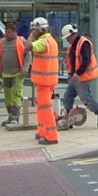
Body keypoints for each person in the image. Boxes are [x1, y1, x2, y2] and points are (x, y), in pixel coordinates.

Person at [60, 24, 98, 128]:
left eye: (67, 38)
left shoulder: (84, 43)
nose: (67, 40)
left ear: (72, 35)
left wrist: (78, 73)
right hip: (75, 77)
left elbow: (86, 60)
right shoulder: (72, 46)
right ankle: (69, 119)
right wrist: (71, 73)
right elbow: (71, 61)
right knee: (67, 98)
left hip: (84, 76)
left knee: (86, 98)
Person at [28, 17, 59, 145]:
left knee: (45, 108)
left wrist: (31, 36)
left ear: (39, 29)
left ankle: (51, 136)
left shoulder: (42, 42)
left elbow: (27, 46)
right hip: (49, 79)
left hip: (44, 81)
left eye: (35, 30)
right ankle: (42, 131)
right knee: (41, 106)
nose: (33, 32)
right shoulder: (51, 41)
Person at [0, 21, 29, 127]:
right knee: (8, 97)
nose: (6, 34)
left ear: (14, 32)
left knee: (16, 96)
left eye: (8, 32)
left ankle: (15, 117)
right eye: (5, 32)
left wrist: (25, 68)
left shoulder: (21, 41)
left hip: (17, 74)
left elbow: (28, 55)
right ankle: (10, 116)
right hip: (6, 74)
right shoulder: (2, 42)